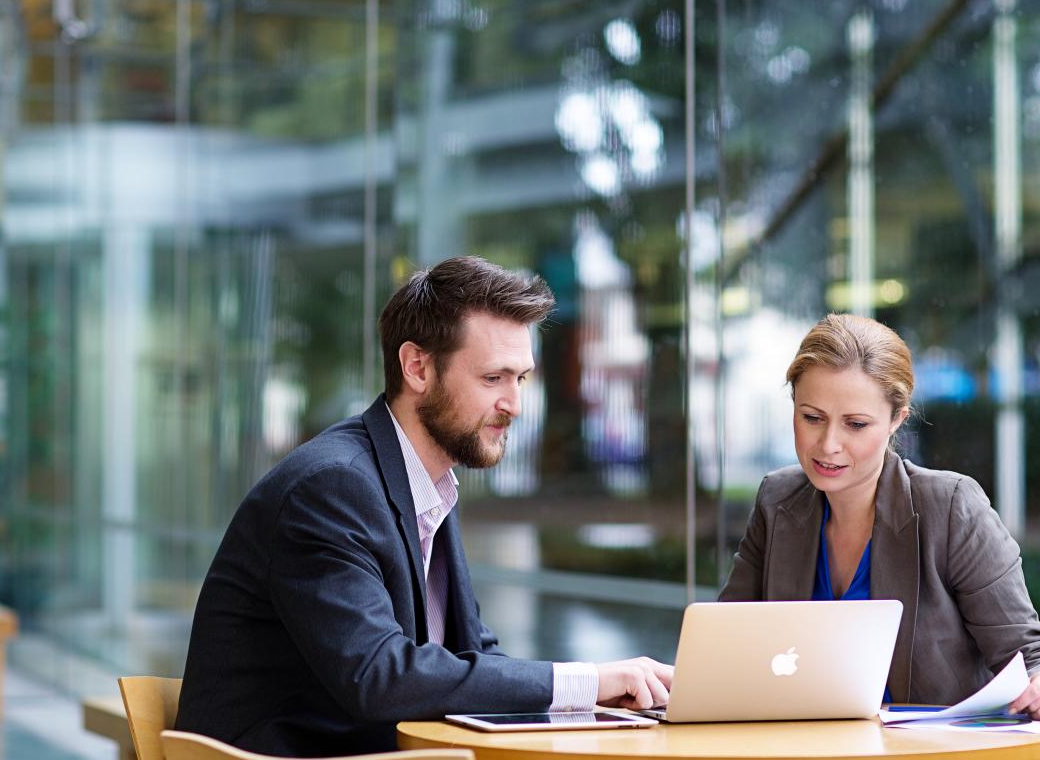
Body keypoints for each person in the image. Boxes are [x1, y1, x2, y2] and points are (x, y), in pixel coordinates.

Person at [175, 256, 672, 757]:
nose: (515, 404)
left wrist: (598, 704)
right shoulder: (331, 489)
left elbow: (471, 651)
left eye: (521, 378)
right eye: (493, 378)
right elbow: (380, 676)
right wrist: (587, 682)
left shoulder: (426, 484)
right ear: (417, 367)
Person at [719, 313, 1040, 720]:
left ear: (896, 420)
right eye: (812, 418)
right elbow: (724, 649)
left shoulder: (950, 506)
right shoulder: (777, 500)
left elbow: (1032, 656)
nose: (828, 444)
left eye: (855, 424)